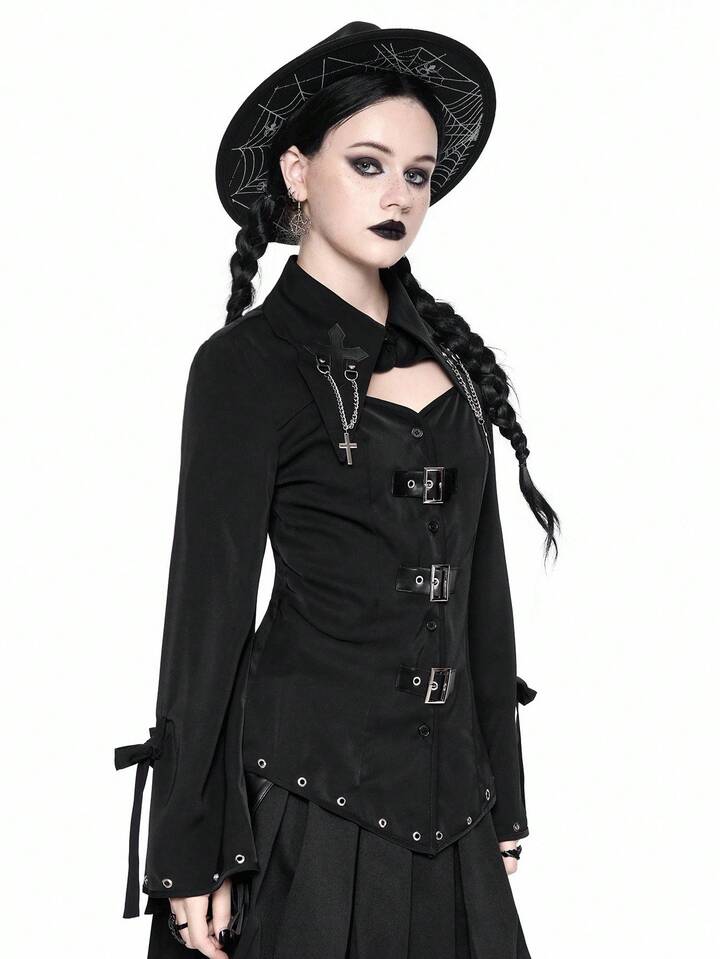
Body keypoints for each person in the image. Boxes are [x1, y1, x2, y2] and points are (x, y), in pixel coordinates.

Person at [114, 21, 559, 959]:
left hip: (453, 811)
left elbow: (481, 593)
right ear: (297, 172)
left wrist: (504, 790)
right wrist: (191, 848)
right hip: (300, 808)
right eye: (367, 164)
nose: (399, 195)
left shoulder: (453, 365)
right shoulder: (245, 367)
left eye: (418, 174)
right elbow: (206, 618)